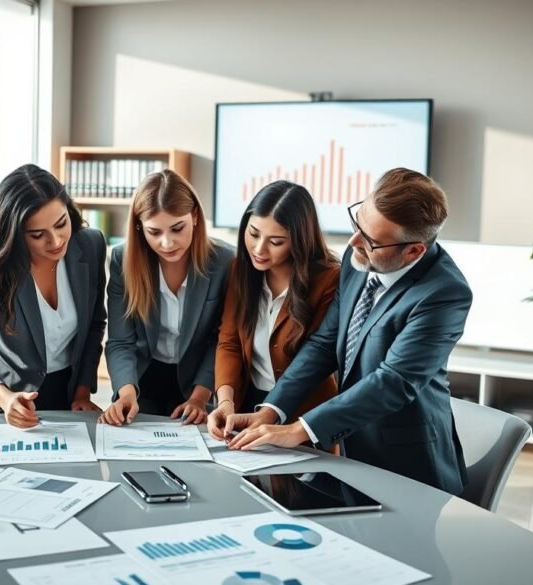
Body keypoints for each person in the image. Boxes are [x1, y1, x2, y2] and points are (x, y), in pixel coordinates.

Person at [225, 168, 472, 495]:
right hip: (352, 448)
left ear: (413, 251)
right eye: (357, 223)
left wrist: (301, 429)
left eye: (370, 240)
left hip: (408, 462)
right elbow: (324, 345)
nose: (354, 241)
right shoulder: (358, 260)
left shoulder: (444, 293)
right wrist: (272, 410)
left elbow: (393, 381)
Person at [0, 163, 106, 428]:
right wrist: (5, 398)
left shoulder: (90, 246)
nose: (56, 241)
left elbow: (94, 326)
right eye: (38, 235)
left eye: (61, 224)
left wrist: (83, 391)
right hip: (0, 408)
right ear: (14, 234)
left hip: (65, 399)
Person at [100, 169, 235, 426]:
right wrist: (126, 392)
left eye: (177, 228)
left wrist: (200, 397)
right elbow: (120, 341)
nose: (167, 243)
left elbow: (220, 340)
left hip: (199, 383)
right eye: (154, 232)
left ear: (194, 216)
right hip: (141, 380)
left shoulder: (225, 261)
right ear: (139, 228)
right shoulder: (122, 259)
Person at [207, 181, 340, 440]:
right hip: (246, 405)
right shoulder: (240, 270)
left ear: (299, 241)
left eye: (276, 241)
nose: (258, 249)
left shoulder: (329, 279)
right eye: (253, 234)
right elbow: (230, 341)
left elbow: (315, 358)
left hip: (303, 416)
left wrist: (272, 413)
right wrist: (225, 401)